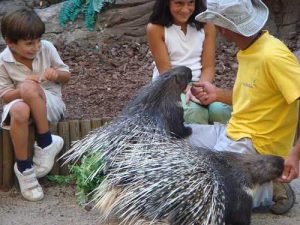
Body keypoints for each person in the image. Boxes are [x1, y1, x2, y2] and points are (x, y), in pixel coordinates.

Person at [188, 0, 300, 214]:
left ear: (224, 28)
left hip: (255, 147)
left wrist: (294, 155)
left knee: (208, 198)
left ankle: (268, 181)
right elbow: (258, 99)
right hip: (234, 132)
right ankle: (266, 184)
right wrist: (217, 94)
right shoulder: (251, 48)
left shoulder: (274, 56)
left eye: (218, 26)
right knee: (178, 137)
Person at [0, 8, 70, 201]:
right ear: (11, 43)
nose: (36, 47)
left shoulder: (47, 48)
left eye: (38, 41)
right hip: (18, 105)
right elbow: (5, 96)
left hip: (50, 103)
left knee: (30, 89)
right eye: (30, 43)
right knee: (21, 107)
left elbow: (66, 75)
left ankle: (46, 141)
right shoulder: (3, 61)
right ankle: (25, 170)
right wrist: (23, 88)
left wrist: (57, 74)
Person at [146, 0, 232, 124]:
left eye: (191, 3)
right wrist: (188, 89)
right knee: (194, 113)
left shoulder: (207, 25)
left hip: (200, 83)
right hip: (170, 85)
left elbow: (208, 67)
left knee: (220, 111)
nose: (186, 9)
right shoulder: (155, 28)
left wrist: (200, 89)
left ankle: (222, 142)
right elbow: (166, 72)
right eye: (179, 3)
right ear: (166, 3)